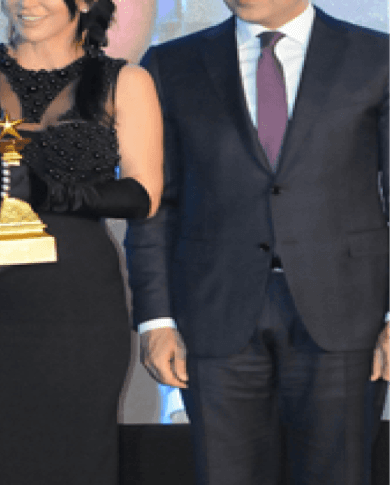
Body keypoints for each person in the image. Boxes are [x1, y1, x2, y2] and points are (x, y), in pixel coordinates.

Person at [125, 0, 390, 484]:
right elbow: (154, 204)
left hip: (347, 314)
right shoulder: (172, 64)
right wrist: (155, 319)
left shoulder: (377, 57)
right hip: (213, 313)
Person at [0, 0, 162, 483]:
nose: (25, 3)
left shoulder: (125, 81)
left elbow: (143, 194)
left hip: (77, 303)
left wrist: (56, 194)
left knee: (76, 455)